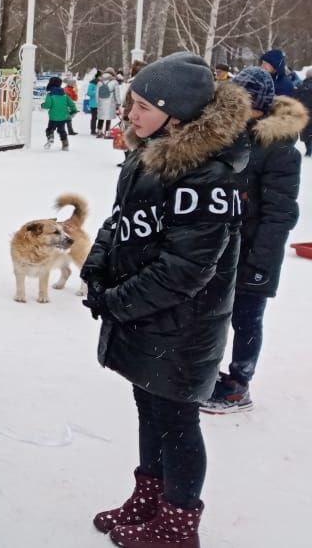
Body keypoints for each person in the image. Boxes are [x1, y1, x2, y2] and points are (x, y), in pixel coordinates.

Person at [80, 52, 249, 548]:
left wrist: (117, 302)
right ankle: (149, 497)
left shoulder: (208, 176)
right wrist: (96, 268)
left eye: (142, 105)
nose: (130, 113)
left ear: (175, 113)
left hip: (183, 325)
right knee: (149, 408)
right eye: (131, 102)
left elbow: (185, 270)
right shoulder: (148, 153)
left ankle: (179, 521)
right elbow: (119, 221)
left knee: (175, 420)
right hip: (148, 318)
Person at [199, 68, 306, 414]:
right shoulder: (227, 136)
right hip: (220, 246)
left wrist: (260, 263)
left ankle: (238, 383)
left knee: (246, 317)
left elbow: (280, 213)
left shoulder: (279, 149)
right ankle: (206, 372)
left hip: (254, 251)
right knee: (211, 311)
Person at [41, 76, 77, 151]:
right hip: (63, 117)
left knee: (50, 129)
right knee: (62, 131)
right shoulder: (64, 95)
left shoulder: (50, 95)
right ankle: (65, 145)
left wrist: (42, 105)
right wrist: (73, 110)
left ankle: (50, 136)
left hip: (53, 117)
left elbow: (48, 105)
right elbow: (72, 104)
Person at [94, 70, 119, 137]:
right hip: (110, 102)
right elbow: (117, 93)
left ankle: (99, 132)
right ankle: (107, 133)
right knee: (108, 118)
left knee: (101, 117)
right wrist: (118, 102)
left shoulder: (100, 82)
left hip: (101, 102)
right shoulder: (114, 82)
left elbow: (96, 93)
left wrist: (97, 102)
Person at [295, 69, 312, 157]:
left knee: (306, 131)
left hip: (305, 111)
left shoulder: (302, 86)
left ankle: (309, 149)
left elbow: (296, 98)